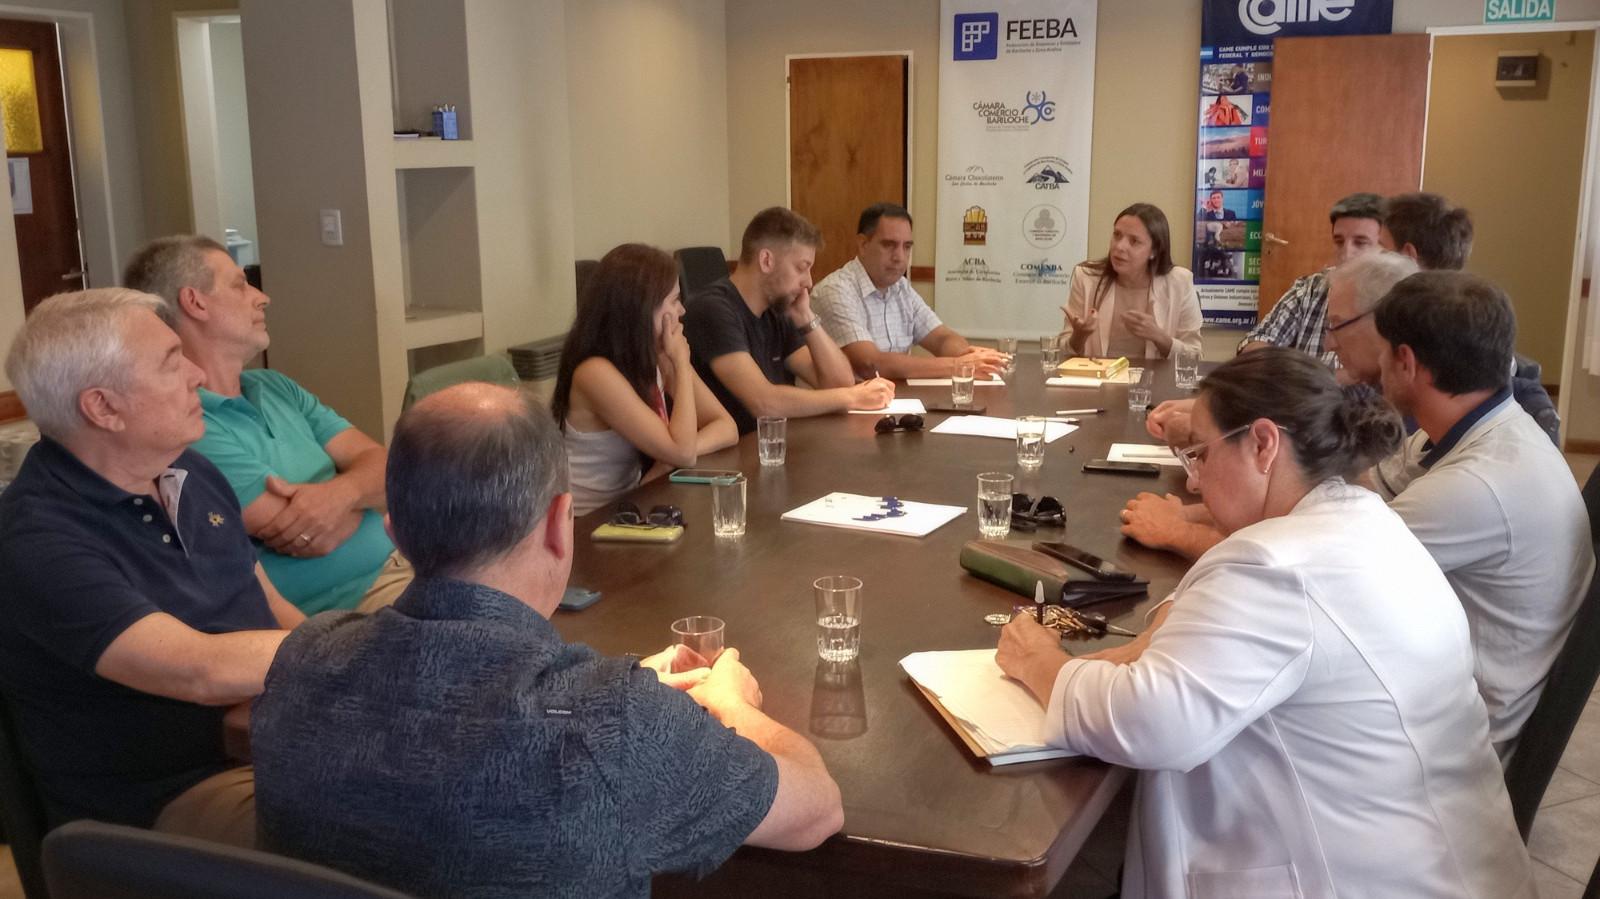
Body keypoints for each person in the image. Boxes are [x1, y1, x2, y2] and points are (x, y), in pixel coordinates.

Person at [251, 383, 844, 898]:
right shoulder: (615, 721)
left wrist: (622, 687)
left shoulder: (302, 660)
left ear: (394, 535)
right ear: (563, 523)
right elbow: (817, 810)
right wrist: (734, 706)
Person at [996, 349, 1533, 898]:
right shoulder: (1369, 524)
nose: (1195, 484)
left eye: (1200, 454)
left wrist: (1040, 662)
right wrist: (1162, 634)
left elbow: (1150, 723)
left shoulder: (1275, 564)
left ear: (1262, 443)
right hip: (1451, 864)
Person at [1126, 270, 1594, 755]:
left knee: (1182, 715)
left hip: (1461, 732)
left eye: (1383, 349)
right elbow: (1328, 501)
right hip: (1450, 685)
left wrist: (1177, 532)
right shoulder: (1466, 433)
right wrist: (1198, 510)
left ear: (1405, 361)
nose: (1339, 346)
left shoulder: (1477, 487)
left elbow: (1313, 570)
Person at [0, 288, 303, 847]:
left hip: (268, 735)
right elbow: (200, 670)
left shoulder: (191, 472)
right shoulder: (37, 538)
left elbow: (272, 607)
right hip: (162, 803)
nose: (197, 375)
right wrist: (359, 651)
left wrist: (368, 668)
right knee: (400, 834)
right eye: (171, 361)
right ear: (103, 408)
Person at [124, 236, 410, 615]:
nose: (262, 297)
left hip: (407, 566)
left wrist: (340, 495)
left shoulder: (275, 386)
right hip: (351, 608)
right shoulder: (188, 423)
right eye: (240, 285)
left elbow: (388, 468)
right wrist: (361, 491)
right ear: (195, 302)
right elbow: (309, 533)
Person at [550, 243, 737, 515]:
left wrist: (668, 459)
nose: (682, 310)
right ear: (642, 308)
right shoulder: (595, 373)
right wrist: (681, 364)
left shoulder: (656, 355)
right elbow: (683, 453)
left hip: (632, 505)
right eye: (674, 300)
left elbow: (726, 427)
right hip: (587, 521)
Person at [683, 207, 894, 434]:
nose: (809, 282)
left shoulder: (777, 309)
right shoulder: (712, 310)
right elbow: (763, 402)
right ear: (766, 261)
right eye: (802, 268)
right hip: (730, 451)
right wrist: (852, 397)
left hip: (772, 443)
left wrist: (806, 317)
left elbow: (839, 383)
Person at [811, 203, 1008, 381]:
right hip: (846, 405)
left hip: (896, 399)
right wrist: (957, 365)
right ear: (863, 245)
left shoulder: (901, 287)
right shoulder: (835, 291)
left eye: (906, 247)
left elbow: (942, 338)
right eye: (889, 245)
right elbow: (870, 364)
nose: (899, 257)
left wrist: (969, 356)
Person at [1238, 192, 1383, 365]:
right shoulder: (1312, 288)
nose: (1346, 253)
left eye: (1360, 243)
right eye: (1339, 242)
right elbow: (1257, 341)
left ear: (1385, 248)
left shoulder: (1396, 301)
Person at [1059, 203, 1201, 360]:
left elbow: (1194, 356)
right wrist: (1079, 336)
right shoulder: (1087, 277)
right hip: (1099, 374)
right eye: (1117, 235)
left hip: (1154, 376)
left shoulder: (1179, 283)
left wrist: (1159, 336)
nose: (1120, 246)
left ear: (1154, 251)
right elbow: (1062, 353)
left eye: (1134, 241)